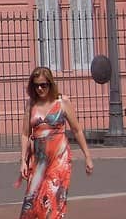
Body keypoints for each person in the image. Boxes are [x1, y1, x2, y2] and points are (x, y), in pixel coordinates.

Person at [18, 66, 94, 219]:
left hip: (59, 160)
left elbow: (77, 130)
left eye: (43, 85)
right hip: (38, 161)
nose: (40, 88)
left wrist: (87, 156)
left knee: (51, 202)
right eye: (36, 85)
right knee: (31, 204)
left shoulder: (62, 102)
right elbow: (26, 134)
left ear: (50, 84)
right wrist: (23, 161)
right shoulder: (31, 104)